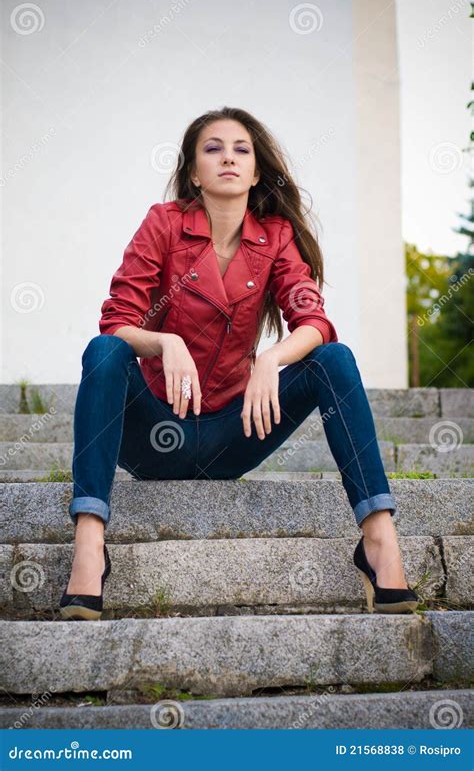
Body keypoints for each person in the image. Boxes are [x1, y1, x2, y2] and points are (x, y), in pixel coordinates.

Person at [60, 106, 420, 620]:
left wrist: (271, 358)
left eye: (240, 149)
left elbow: (315, 323)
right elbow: (116, 321)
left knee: (333, 359)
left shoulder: (274, 237)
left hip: (233, 435)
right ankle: (90, 548)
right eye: (212, 148)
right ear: (192, 172)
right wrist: (164, 342)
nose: (227, 157)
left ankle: (379, 543)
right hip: (157, 433)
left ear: (255, 172)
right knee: (104, 352)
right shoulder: (163, 224)